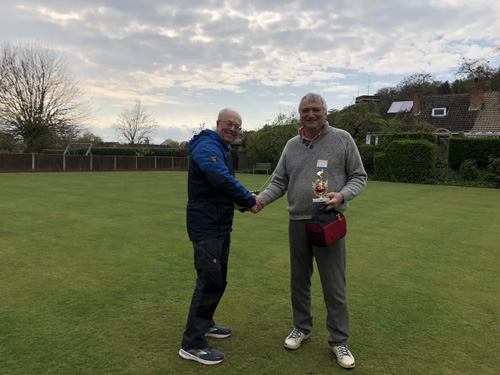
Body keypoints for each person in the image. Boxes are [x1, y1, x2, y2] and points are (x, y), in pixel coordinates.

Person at [258, 93, 367, 369]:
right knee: (299, 281)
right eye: (305, 110)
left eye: (315, 110)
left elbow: (359, 177)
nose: (310, 114)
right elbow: (279, 181)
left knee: (334, 285)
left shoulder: (342, 139)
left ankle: (339, 340)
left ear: (325, 113)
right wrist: (260, 200)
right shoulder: (291, 145)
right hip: (298, 222)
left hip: (328, 221)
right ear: (299, 115)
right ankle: (301, 327)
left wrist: (342, 196)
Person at [179, 108, 263, 365]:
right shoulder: (207, 145)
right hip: (206, 226)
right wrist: (248, 199)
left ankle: (205, 324)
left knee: (218, 279)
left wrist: (240, 201)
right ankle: (192, 344)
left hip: (219, 225)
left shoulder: (222, 148)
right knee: (210, 281)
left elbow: (221, 187)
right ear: (218, 124)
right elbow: (218, 178)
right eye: (229, 124)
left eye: (238, 126)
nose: (233, 129)